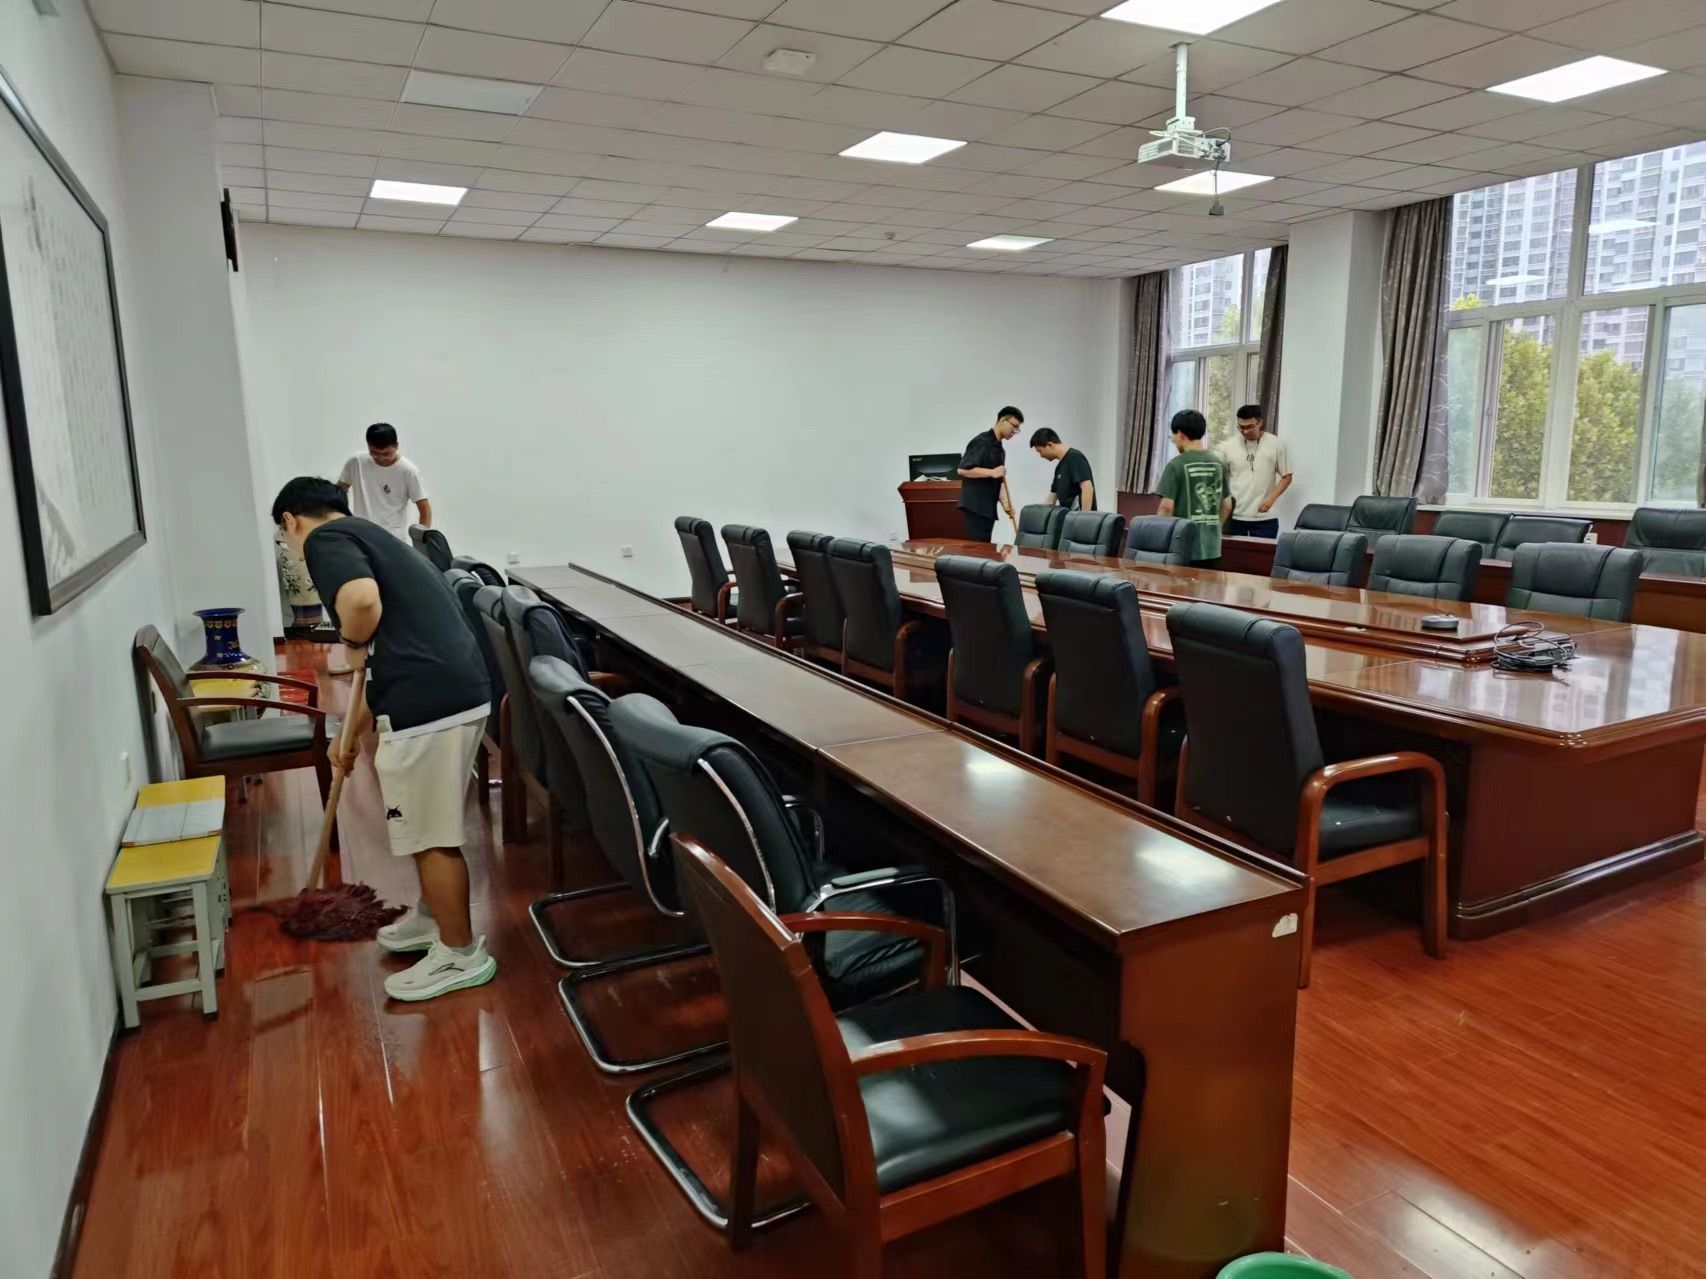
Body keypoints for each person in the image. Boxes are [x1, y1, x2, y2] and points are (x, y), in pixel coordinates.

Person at [272, 476, 495, 1002]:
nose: (290, 546)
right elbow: (380, 659)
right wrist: (350, 732)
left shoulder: (325, 540)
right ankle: (432, 917)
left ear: (290, 521)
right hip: (449, 688)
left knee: (429, 834)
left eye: (284, 537)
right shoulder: (371, 535)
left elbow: (362, 604)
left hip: (431, 701)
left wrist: (352, 640)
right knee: (422, 823)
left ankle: (460, 954)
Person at [1156, 409, 1232, 568]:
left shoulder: (1176, 465)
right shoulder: (1218, 463)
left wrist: (1160, 541)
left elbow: (1166, 508)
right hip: (1213, 549)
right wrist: (1214, 528)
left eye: (1173, 436)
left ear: (1180, 434)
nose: (1174, 440)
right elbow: (1227, 505)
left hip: (1182, 549)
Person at [337, 423, 431, 542]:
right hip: (360, 536)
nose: (381, 458)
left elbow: (425, 510)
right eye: (374, 453)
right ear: (368, 445)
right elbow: (338, 493)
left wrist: (422, 541)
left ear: (396, 446)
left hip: (392, 539)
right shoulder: (356, 462)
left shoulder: (408, 471)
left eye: (386, 454)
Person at [1218, 404, 1292, 539]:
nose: (1245, 431)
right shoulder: (1227, 446)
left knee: (1263, 553)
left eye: (1250, 427)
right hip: (1234, 516)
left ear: (1260, 422)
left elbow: (1287, 476)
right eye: (1241, 427)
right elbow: (1220, 479)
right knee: (1234, 553)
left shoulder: (1276, 444)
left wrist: (1271, 499)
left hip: (1265, 518)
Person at [955, 407, 1023, 541]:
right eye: (1014, 426)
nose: (1015, 431)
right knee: (976, 550)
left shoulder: (1000, 450)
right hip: (975, 508)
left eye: (1017, 429)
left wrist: (1006, 503)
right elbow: (962, 470)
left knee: (984, 548)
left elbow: (999, 480)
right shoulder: (981, 441)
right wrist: (991, 472)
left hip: (988, 509)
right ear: (1002, 420)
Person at [1030, 428, 1095, 511]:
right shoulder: (1059, 468)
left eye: (1040, 451)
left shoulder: (1075, 457)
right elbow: (1051, 499)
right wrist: (1038, 512)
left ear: (1050, 445)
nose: (1041, 456)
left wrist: (1084, 516)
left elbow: (1087, 488)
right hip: (1068, 517)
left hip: (1079, 517)